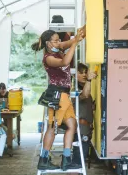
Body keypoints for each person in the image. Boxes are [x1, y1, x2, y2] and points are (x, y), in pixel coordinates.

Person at [32, 27, 85, 171]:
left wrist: (77, 37)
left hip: (65, 96)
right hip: (57, 96)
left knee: (71, 125)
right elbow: (65, 63)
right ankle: (44, 159)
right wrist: (74, 44)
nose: (59, 42)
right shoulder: (48, 58)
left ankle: (66, 159)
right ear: (48, 43)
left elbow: (66, 43)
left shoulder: (57, 48)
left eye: (58, 40)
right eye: (55, 41)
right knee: (52, 127)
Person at [71, 63, 97, 171]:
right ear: (74, 75)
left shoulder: (84, 88)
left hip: (85, 130)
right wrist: (90, 80)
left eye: (85, 72)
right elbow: (84, 95)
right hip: (80, 130)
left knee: (80, 161)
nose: (84, 75)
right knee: (78, 161)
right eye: (81, 72)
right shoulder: (74, 90)